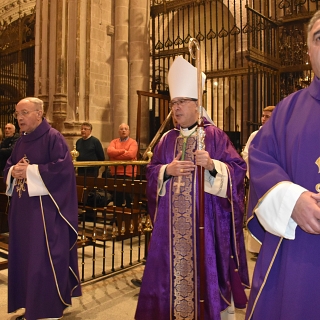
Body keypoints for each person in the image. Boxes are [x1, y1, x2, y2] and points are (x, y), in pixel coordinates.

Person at [135, 56, 249, 320]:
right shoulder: (166, 139)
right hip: (169, 229)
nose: (176, 108)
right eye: (174, 103)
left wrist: (212, 166)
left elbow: (238, 170)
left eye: (182, 102)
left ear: (197, 105)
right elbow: (151, 172)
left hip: (205, 225)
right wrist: (166, 171)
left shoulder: (214, 135)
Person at [245, 10, 320, 320]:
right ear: (308, 51)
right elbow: (260, 159)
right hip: (297, 258)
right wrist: (291, 200)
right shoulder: (287, 111)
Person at [4, 97, 81, 320]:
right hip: (22, 212)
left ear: (39, 113)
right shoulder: (21, 141)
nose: (19, 118)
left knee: (42, 258)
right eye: (17, 114)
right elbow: (10, 165)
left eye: (24, 112)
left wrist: (30, 171)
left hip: (45, 213)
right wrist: (13, 172)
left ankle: (47, 311)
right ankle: (30, 305)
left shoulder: (53, 137)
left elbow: (63, 171)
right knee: (26, 259)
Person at [107, 123, 138, 207]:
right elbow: (110, 152)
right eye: (121, 129)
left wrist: (116, 155)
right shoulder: (114, 142)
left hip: (128, 173)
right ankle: (117, 218)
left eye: (125, 129)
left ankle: (129, 219)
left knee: (129, 197)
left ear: (129, 131)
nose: (123, 130)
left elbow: (131, 155)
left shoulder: (133, 142)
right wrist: (123, 151)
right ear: (118, 131)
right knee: (117, 198)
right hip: (116, 173)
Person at [242, 106, 275, 179]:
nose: (263, 119)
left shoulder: (278, 136)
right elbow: (246, 153)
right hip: (257, 172)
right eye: (262, 116)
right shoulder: (255, 135)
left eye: (267, 116)